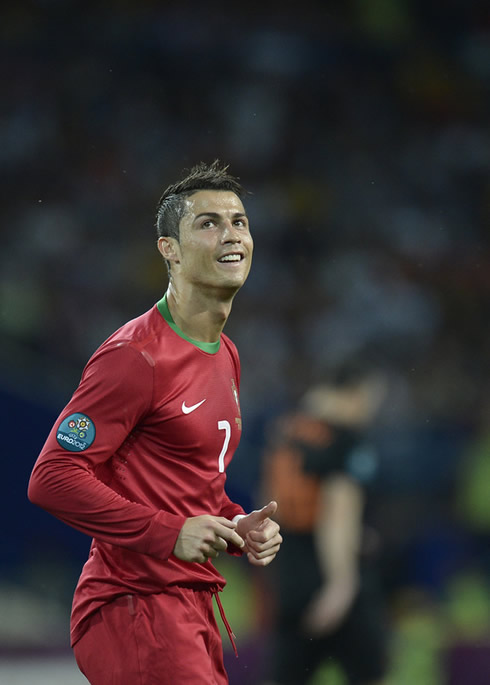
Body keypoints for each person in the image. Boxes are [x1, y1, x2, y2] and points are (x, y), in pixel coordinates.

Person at [27, 160, 282, 685]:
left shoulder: (225, 353)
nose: (231, 233)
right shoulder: (135, 356)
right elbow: (51, 479)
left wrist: (232, 524)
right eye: (207, 223)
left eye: (239, 221)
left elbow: (183, 482)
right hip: (134, 607)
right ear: (169, 249)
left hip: (187, 606)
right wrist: (170, 533)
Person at [261, 361, 389, 685]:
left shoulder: (288, 431)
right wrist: (341, 584)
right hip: (334, 578)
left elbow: (268, 501)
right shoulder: (345, 438)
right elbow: (338, 510)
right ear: (355, 393)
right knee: (367, 675)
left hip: (289, 576)